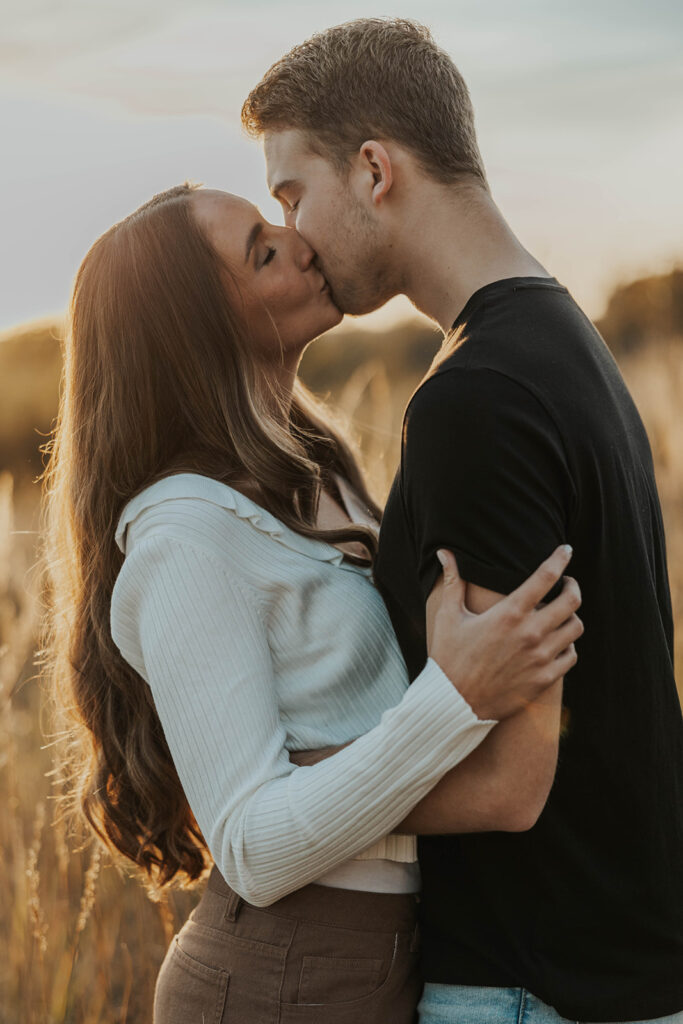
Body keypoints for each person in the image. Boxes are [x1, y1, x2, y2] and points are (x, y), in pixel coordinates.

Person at [40, 181, 583, 1024]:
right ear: (199, 334)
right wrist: (457, 698)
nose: (299, 240)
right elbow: (252, 844)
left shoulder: (312, 471)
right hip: (277, 979)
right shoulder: (184, 539)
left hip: (381, 955)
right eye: (262, 250)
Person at [242, 15, 683, 1024]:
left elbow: (507, 783)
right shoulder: (559, 338)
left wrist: (281, 800)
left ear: (372, 169)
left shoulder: (473, 396)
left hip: (533, 985)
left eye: (290, 193)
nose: (293, 232)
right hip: (601, 973)